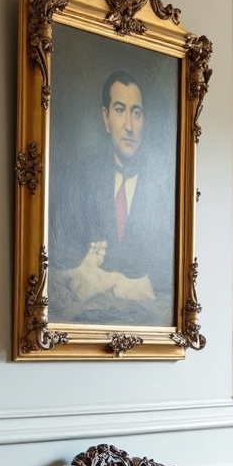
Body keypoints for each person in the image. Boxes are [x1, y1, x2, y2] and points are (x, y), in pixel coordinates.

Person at [56, 70, 174, 312]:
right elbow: (60, 254)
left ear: (145, 122)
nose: (129, 126)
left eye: (136, 113)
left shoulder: (165, 183)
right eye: (119, 110)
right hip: (88, 319)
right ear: (106, 118)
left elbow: (173, 269)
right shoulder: (83, 176)